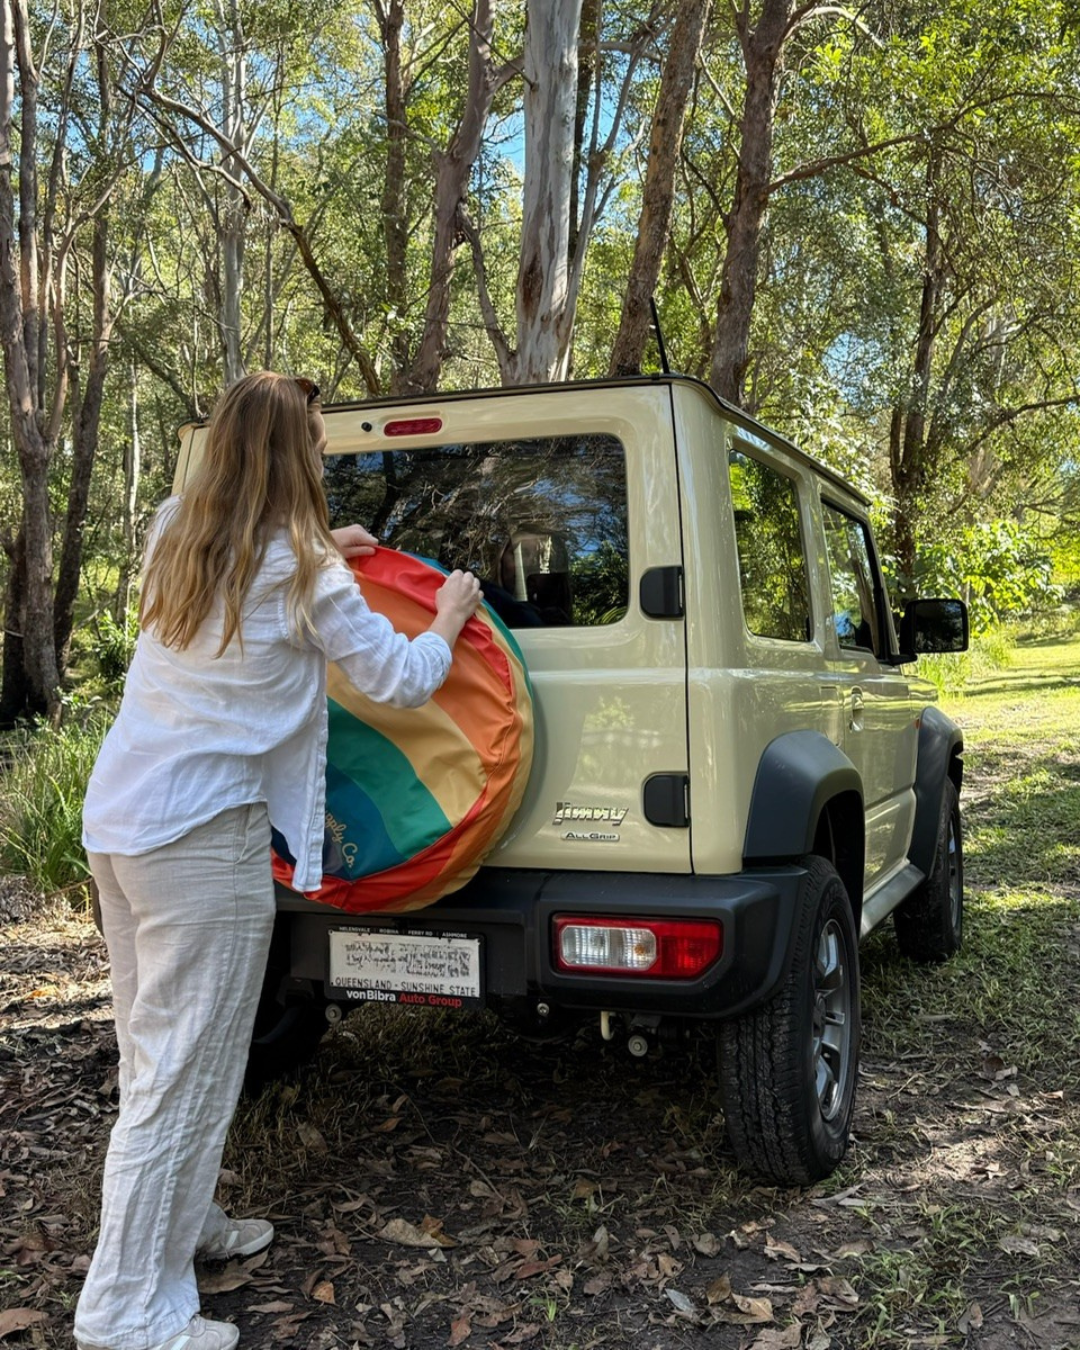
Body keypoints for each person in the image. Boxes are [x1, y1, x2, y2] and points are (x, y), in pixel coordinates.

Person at [74, 371, 481, 1350]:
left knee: (154, 1061)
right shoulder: (305, 573)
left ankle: (181, 1233)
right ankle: (125, 1311)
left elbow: (252, 562)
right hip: (202, 844)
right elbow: (403, 674)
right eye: (319, 447)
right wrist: (452, 613)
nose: (326, 459)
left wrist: (327, 552)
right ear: (295, 458)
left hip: (121, 825)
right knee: (187, 1076)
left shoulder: (182, 524)